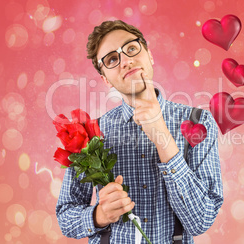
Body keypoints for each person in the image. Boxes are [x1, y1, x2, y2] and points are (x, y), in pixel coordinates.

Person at [56, 20, 223, 243]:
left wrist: (162, 136)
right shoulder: (92, 134)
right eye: (112, 59)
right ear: (105, 79)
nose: (126, 61)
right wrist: (99, 216)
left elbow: (200, 221)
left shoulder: (198, 122)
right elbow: (65, 216)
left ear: (149, 55)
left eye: (131, 48)